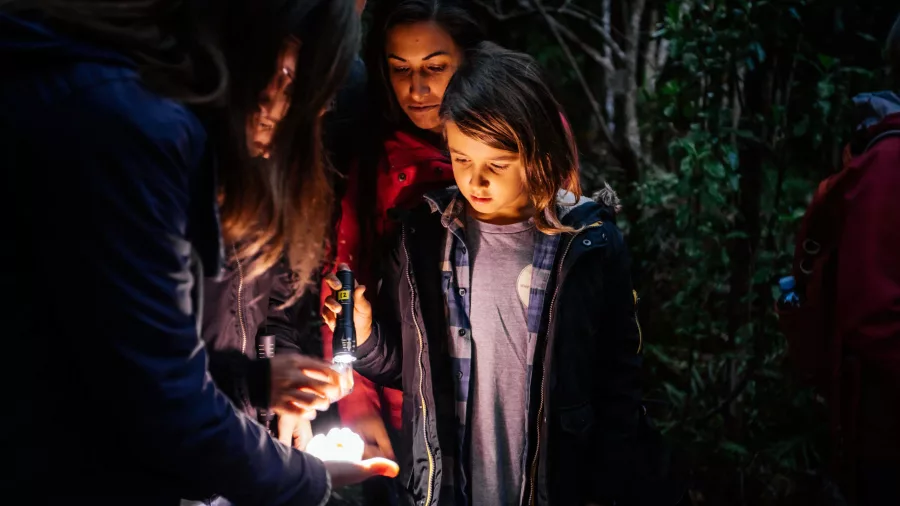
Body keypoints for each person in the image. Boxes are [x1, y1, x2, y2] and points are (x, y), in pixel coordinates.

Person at [0, 1, 390, 504]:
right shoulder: (128, 123)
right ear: (280, 63)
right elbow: (157, 402)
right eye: (305, 93)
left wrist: (252, 383)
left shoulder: (126, 100)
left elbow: (124, 354)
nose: (293, 118)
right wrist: (309, 479)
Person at [323, 42, 673, 505]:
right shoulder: (425, 238)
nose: (476, 181)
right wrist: (366, 338)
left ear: (539, 154)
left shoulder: (588, 244)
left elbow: (618, 388)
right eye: (462, 160)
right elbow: (413, 371)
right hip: (449, 487)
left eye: (497, 164)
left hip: (556, 484)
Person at [316, 0, 485, 477]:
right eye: (399, 70)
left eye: (435, 67)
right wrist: (356, 404)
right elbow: (345, 280)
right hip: (400, 397)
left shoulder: (522, 136)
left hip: (504, 401)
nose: (417, 89)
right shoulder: (375, 159)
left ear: (470, 61)